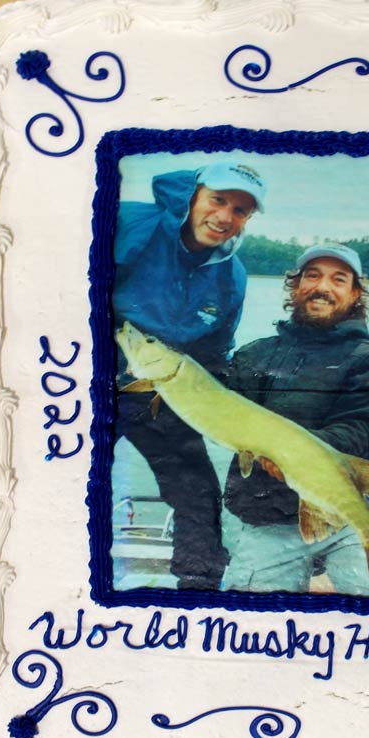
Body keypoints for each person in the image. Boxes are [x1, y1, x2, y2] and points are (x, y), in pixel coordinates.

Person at [113, 161, 266, 590]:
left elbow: (215, 352)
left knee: (198, 493)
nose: (224, 216)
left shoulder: (233, 276)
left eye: (240, 210)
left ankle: (199, 592)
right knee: (65, 475)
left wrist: (229, 405)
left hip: (161, 395)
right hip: (90, 383)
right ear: (192, 196)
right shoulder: (128, 224)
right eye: (218, 200)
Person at [222, 243, 369, 595]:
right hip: (270, 515)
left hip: (348, 512)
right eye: (312, 276)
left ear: (355, 293)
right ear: (296, 286)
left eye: (338, 279)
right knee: (253, 608)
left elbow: (358, 431)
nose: (323, 287)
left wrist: (288, 454)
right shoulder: (253, 354)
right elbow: (221, 415)